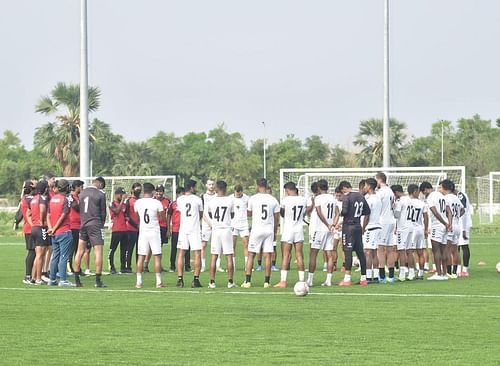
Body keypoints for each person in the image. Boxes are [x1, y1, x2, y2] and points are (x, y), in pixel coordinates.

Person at [242, 178, 280, 288]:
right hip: (269, 230)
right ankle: (267, 282)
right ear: (266, 185)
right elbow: (277, 218)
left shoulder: (253, 198)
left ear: (257, 185)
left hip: (257, 229)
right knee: (267, 256)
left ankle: (248, 281)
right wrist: (275, 231)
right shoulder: (273, 200)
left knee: (251, 255)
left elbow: (248, 213)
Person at [335, 181, 370, 286]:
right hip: (358, 226)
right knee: (360, 252)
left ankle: (347, 279)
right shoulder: (360, 196)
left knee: (348, 251)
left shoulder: (347, 197)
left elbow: (345, 211)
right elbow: (367, 211)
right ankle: (364, 278)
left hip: (348, 227)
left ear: (344, 188)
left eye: (342, 191)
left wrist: (341, 213)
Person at [74, 177, 107, 288]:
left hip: (83, 224)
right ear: (100, 184)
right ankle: (98, 281)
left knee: (79, 251)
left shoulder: (82, 193)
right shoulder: (100, 194)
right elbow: (103, 214)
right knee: (98, 252)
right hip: (95, 224)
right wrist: (101, 225)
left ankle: (77, 280)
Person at [274, 182, 307, 288]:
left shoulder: (285, 200)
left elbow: (282, 214)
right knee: (299, 255)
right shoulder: (303, 199)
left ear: (287, 190)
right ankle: (302, 280)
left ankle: (283, 281)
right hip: (299, 229)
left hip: (288, 229)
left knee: (286, 255)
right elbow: (304, 213)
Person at [306, 179, 338, 287]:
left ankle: (310, 280)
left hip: (319, 229)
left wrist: (327, 224)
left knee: (313, 254)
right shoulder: (333, 198)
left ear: (319, 188)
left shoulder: (318, 198)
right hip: (329, 230)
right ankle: (328, 280)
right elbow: (338, 212)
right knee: (329, 254)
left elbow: (319, 212)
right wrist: (332, 224)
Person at [134, 182, 166, 288]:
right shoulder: (157, 203)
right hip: (154, 232)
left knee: (141, 257)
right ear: (153, 191)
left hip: (143, 232)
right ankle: (158, 282)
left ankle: (138, 282)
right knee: (157, 257)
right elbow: (162, 218)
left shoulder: (138, 203)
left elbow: (137, 217)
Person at [207, 180, 236, 288]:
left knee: (214, 256)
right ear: (225, 188)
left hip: (216, 230)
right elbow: (232, 215)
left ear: (216, 188)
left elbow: (210, 214)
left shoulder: (212, 201)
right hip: (226, 230)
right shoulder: (230, 200)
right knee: (229, 256)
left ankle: (212, 282)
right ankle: (230, 281)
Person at [176, 179, 204, 288]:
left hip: (183, 228)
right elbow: (200, 214)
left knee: (181, 253)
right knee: (197, 253)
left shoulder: (180, 199)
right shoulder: (197, 199)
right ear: (192, 188)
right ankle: (195, 279)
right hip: (194, 229)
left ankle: (180, 280)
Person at [420, 181, 450, 281]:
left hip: (438, 225)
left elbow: (435, 212)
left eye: (423, 192)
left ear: (425, 190)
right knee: (444, 249)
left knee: (435, 249)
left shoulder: (431, 197)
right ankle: (445, 273)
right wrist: (449, 223)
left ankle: (439, 273)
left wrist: (444, 223)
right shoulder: (441, 195)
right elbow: (448, 210)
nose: (424, 194)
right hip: (445, 225)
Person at [47, 179, 74, 286]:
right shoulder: (65, 200)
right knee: (63, 257)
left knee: (55, 256)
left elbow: (48, 215)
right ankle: (63, 280)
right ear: (67, 188)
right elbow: (63, 216)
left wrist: (51, 228)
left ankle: (52, 279)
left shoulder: (52, 199)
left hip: (54, 233)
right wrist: (54, 228)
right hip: (64, 231)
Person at [375, 172, 397, 283]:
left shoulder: (381, 192)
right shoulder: (391, 192)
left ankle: (382, 275)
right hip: (391, 220)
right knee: (390, 249)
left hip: (383, 221)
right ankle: (391, 276)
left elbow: (377, 207)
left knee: (380, 249)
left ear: (379, 180)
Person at [27, 180, 49, 285]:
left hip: (34, 228)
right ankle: (39, 278)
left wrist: (32, 224)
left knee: (38, 254)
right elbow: (42, 210)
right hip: (41, 228)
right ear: (45, 189)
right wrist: (42, 222)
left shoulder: (33, 199)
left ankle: (34, 277)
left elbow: (28, 213)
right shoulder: (42, 198)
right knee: (41, 255)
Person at [392, 184, 415, 281]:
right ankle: (412, 272)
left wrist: (393, 207)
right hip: (411, 226)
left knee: (401, 250)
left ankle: (402, 274)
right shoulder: (410, 200)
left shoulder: (401, 201)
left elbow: (397, 215)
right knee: (409, 250)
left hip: (403, 227)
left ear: (397, 192)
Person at [441, 180, 464, 278]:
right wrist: (457, 216)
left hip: (450, 226)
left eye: (441, 187)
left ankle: (449, 272)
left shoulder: (445, 198)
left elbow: (445, 211)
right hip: (457, 226)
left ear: (445, 188)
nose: (440, 189)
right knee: (455, 250)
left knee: (447, 250)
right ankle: (455, 272)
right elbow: (463, 209)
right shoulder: (456, 198)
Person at [362, 178, 382, 283]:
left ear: (369, 186)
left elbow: (366, 215)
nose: (364, 188)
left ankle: (368, 277)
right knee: (374, 252)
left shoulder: (369, 199)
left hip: (370, 227)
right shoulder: (378, 198)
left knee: (368, 252)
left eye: (365, 185)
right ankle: (376, 276)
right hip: (377, 226)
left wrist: (363, 228)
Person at [166, 187, 190, 272]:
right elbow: (168, 216)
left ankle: (187, 266)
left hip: (185, 229)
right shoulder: (173, 204)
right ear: (177, 194)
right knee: (174, 248)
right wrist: (169, 229)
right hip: (176, 229)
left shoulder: (187, 203)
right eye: (181, 194)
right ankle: (172, 266)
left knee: (187, 248)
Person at [408, 184, 429, 280]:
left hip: (410, 229)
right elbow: (425, 217)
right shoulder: (422, 203)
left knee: (410, 252)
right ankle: (421, 272)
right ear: (414, 192)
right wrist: (425, 229)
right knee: (420, 251)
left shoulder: (406, 202)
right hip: (420, 228)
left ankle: (412, 272)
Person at [108, 187, 129, 274]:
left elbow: (125, 215)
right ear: (116, 194)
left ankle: (123, 267)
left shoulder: (124, 205)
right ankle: (111, 267)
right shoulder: (112, 203)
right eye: (121, 194)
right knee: (113, 249)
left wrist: (126, 218)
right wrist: (122, 201)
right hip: (116, 230)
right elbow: (116, 211)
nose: (122, 196)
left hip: (124, 229)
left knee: (124, 250)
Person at [231, 185, 250, 270]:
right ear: (234, 191)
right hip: (233, 224)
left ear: (242, 191)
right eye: (236, 192)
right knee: (232, 246)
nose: (238, 194)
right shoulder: (230, 198)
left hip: (244, 224)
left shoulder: (247, 198)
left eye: (239, 192)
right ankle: (232, 266)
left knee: (246, 245)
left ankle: (247, 265)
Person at [67, 180, 84, 275]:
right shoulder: (71, 197)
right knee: (72, 247)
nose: (82, 189)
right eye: (81, 187)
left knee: (78, 248)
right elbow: (76, 207)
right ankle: (69, 267)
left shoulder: (78, 197)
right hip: (72, 225)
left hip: (79, 225)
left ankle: (77, 268)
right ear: (76, 187)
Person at [124, 182, 142, 273]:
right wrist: (135, 225)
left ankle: (139, 267)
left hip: (140, 229)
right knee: (130, 248)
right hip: (131, 228)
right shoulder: (129, 201)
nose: (138, 191)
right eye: (137, 189)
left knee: (140, 249)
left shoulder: (141, 201)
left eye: (140, 189)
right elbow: (126, 215)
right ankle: (128, 267)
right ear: (132, 190)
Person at [21, 180, 36, 284]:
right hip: (31, 228)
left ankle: (30, 275)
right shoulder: (30, 199)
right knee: (32, 252)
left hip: (27, 228)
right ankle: (28, 276)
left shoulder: (23, 199)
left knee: (33, 252)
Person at [201, 179, 216, 272]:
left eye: (212, 184)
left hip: (217, 223)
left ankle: (217, 265)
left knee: (217, 245)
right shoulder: (203, 197)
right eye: (209, 184)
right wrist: (209, 223)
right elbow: (202, 212)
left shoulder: (217, 196)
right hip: (206, 224)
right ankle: (203, 265)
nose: (211, 186)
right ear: (206, 185)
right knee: (203, 245)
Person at [155, 184, 171, 272]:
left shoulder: (167, 201)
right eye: (157, 191)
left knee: (159, 247)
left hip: (163, 226)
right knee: (151, 247)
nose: (159, 193)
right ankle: (145, 264)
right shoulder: (152, 201)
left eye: (160, 191)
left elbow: (168, 216)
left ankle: (159, 265)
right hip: (154, 226)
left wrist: (169, 229)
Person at [457, 190, 472, 277]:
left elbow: (463, 213)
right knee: (455, 247)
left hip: (464, 224)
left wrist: (463, 230)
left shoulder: (461, 195)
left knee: (464, 245)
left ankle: (465, 269)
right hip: (456, 225)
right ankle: (458, 269)